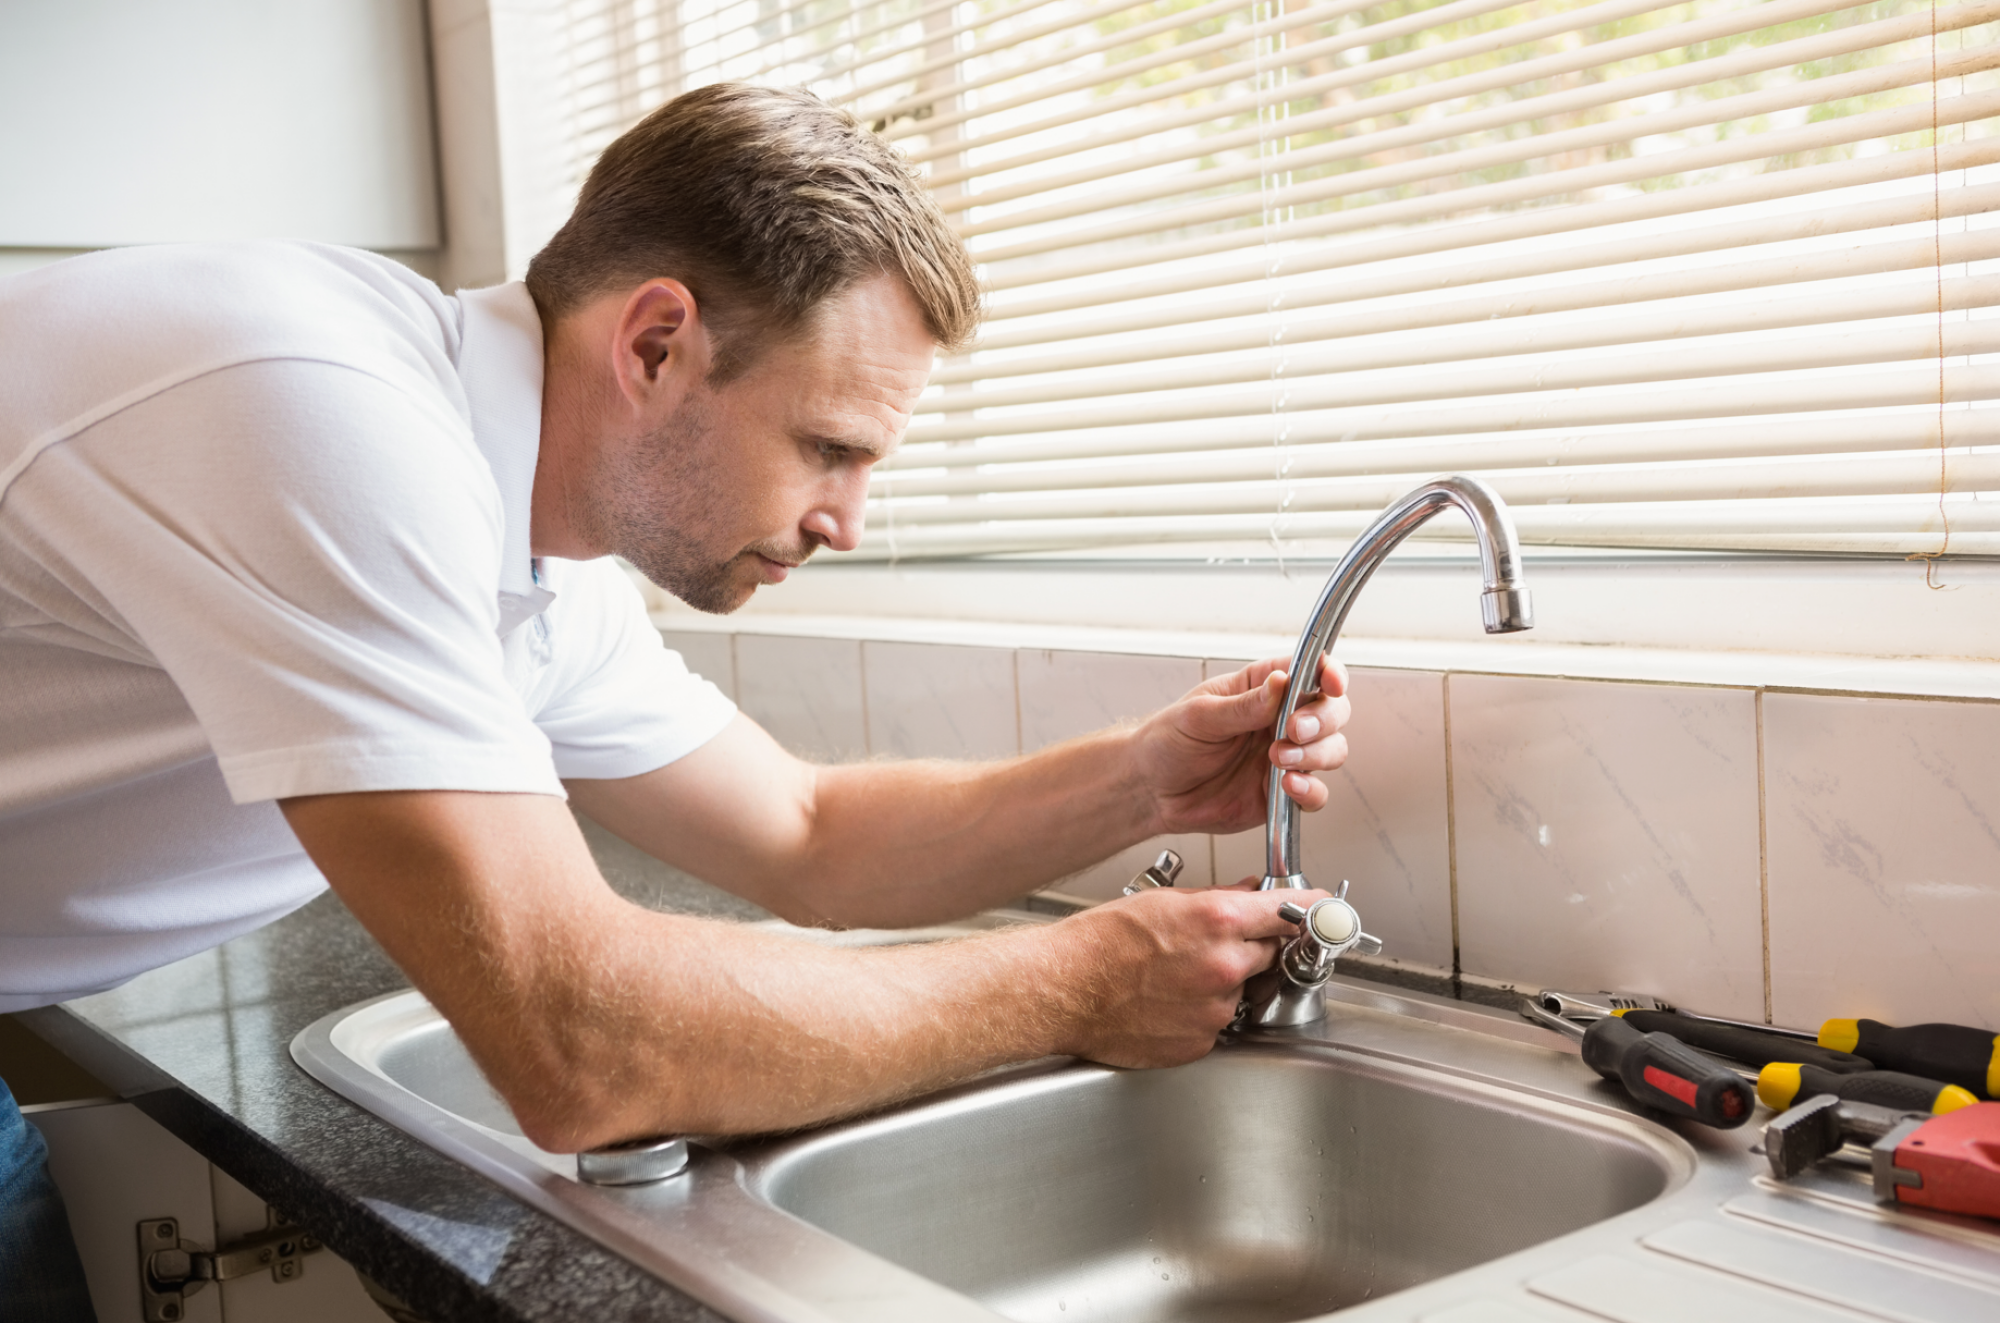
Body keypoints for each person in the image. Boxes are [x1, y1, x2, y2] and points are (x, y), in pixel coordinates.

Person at [0, 84, 1350, 1311]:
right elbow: (579, 1045)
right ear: (655, 344)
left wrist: (1141, 781)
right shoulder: (320, 416)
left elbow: (808, 834)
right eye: (828, 446)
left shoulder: (537, 555)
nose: (846, 522)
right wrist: (1076, 982)